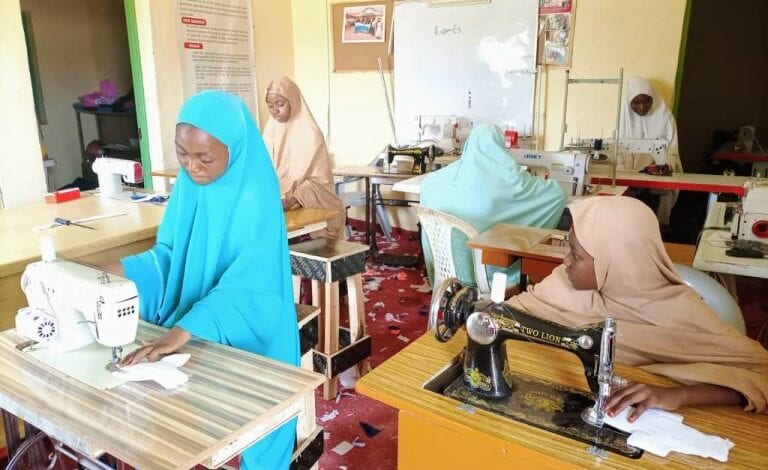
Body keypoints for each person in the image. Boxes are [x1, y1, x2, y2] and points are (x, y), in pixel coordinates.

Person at [106, 91, 299, 469]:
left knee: (256, 430)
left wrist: (184, 329)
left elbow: (250, 289)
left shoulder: (255, 199)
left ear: (236, 149)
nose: (192, 167)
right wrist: (120, 273)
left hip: (252, 329)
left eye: (204, 157)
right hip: (199, 325)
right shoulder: (191, 188)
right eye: (182, 154)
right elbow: (170, 258)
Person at [506, 196, 768, 422]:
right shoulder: (563, 283)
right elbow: (503, 317)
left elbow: (763, 374)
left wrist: (677, 395)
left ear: (615, 261)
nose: (565, 260)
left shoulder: (681, 312)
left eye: (576, 254)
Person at [420, 124, 567, 288]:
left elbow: (427, 186)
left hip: (448, 268)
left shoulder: (445, 177)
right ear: (500, 147)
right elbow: (558, 195)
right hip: (489, 272)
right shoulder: (510, 179)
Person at [263, 76, 345, 239]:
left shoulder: (310, 133)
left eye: (280, 104)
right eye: (270, 106)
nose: (275, 111)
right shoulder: (271, 128)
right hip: (278, 194)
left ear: (294, 101)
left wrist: (292, 199)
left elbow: (318, 182)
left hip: (310, 197)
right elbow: (265, 168)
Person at [619, 77, 683, 225]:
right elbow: (617, 152)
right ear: (629, 103)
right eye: (636, 102)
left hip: (656, 182)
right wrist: (628, 179)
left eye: (647, 101)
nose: (642, 107)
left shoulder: (665, 118)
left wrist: (665, 166)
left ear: (653, 98)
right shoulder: (623, 118)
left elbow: (672, 151)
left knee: (651, 223)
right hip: (630, 182)